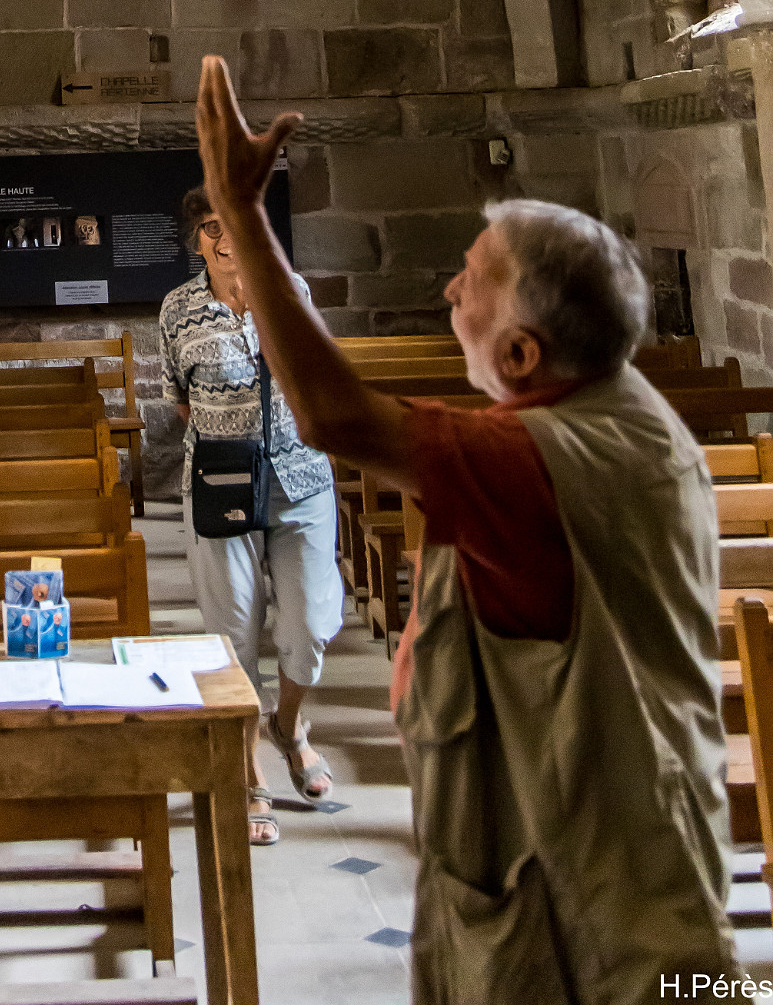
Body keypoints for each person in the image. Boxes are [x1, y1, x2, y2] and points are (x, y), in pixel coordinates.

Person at [193, 54, 740, 1001]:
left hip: (597, 920)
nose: (449, 292)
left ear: (521, 351)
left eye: (472, 280)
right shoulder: (613, 414)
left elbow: (332, 417)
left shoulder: (537, 458)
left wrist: (242, 212)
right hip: (565, 867)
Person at [160, 184, 343, 847]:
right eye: (211, 226)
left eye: (235, 223)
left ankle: (288, 725)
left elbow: (317, 373)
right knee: (233, 632)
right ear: (196, 239)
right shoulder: (178, 309)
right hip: (220, 484)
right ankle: (248, 767)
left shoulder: (288, 288)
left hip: (300, 478)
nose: (225, 237)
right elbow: (181, 398)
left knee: (310, 625)